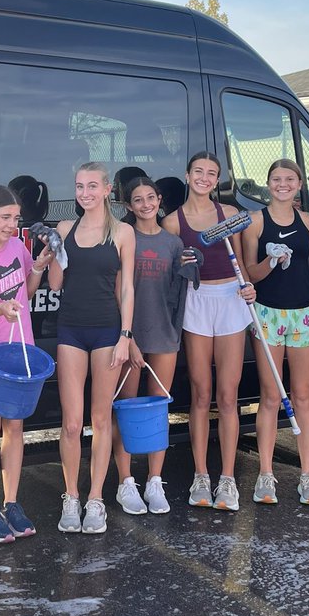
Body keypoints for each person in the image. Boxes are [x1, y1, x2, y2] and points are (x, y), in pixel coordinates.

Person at [162, 151, 256, 512]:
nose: (204, 177)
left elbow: (244, 266)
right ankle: (201, 475)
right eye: (198, 171)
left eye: (211, 173)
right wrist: (184, 267)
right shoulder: (173, 222)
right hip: (197, 301)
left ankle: (228, 478)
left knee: (228, 396)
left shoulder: (230, 216)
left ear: (218, 180)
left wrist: (248, 286)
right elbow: (173, 273)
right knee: (201, 394)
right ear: (188, 175)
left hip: (231, 299)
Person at [48, 162, 135, 535]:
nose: (84, 193)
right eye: (79, 186)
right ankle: (71, 497)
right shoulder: (65, 229)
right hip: (70, 329)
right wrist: (54, 251)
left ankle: (96, 498)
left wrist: (125, 336)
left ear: (107, 189)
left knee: (101, 421)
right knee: (71, 422)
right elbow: (54, 285)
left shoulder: (123, 232)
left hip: (107, 331)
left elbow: (127, 288)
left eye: (91, 186)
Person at [0, 184, 54, 542]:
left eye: (15, 218)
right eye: (4, 217)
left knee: (15, 429)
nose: (11, 224)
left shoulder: (19, 247)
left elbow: (28, 292)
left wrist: (36, 267)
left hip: (22, 348)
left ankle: (12, 502)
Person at [241, 159, 309, 506]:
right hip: (268, 316)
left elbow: (307, 270)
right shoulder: (256, 222)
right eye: (277, 179)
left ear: (299, 184)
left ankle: (307, 477)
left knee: (303, 396)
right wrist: (272, 261)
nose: (283, 184)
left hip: (304, 315)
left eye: (289, 179)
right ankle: (265, 475)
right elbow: (251, 274)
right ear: (269, 183)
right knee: (271, 397)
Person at [112, 176, 186, 517]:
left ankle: (155, 481)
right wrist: (129, 339)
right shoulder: (124, 238)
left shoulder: (173, 244)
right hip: (130, 337)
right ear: (128, 206)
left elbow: (178, 291)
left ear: (159, 200)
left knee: (158, 409)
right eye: (137, 200)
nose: (145, 205)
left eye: (150, 198)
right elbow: (117, 292)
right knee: (126, 408)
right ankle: (126, 481)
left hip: (165, 336)